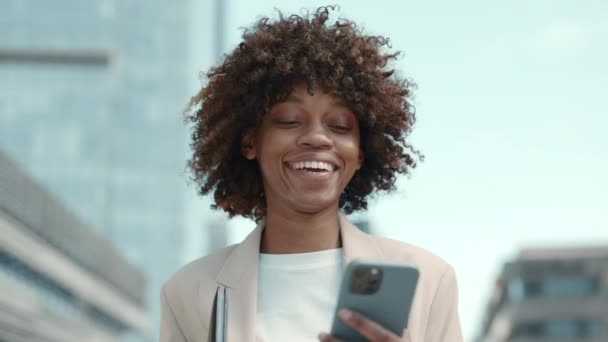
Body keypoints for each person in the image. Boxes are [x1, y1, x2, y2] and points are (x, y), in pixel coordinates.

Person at [160, 5, 463, 342]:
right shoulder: (189, 292)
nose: (318, 137)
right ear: (249, 142)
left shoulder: (430, 282)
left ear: (360, 153)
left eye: (340, 126)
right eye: (289, 120)